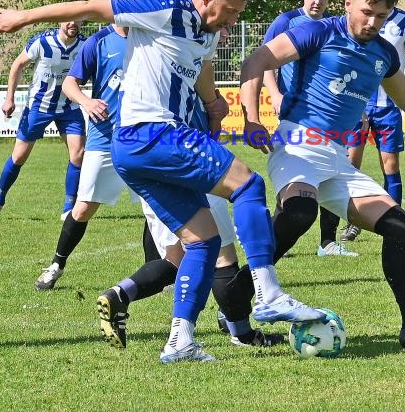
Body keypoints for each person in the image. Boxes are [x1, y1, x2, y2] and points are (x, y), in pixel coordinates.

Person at [0, 0, 323, 364]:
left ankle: (180, 342)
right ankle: (268, 293)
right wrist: (21, 18)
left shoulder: (206, 31)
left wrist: (214, 104)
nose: (234, 20)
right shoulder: (165, 6)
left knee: (202, 241)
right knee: (249, 186)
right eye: (232, 11)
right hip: (153, 132)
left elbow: (200, 71)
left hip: (136, 151)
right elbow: (90, 7)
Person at [239, 0, 405, 350]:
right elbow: (256, 62)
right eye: (366, 12)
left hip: (337, 157)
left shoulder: (384, 53)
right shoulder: (317, 31)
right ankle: (237, 301)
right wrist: (252, 118)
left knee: (400, 226)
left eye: (382, 16)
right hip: (298, 144)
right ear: (348, 2)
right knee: (299, 213)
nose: (372, 22)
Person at [96, 29, 284, 349]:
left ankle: (120, 295)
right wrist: (214, 107)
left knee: (177, 259)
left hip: (151, 166)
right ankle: (241, 331)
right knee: (221, 256)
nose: (224, 34)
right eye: (222, 26)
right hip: (190, 167)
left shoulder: (168, 69)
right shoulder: (181, 69)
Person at [34, 0, 146, 290]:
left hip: (145, 139)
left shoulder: (153, 37)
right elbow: (70, 83)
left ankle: (159, 273)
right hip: (104, 139)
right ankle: (56, 264)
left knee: (155, 207)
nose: (127, 9)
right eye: (122, 3)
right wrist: (86, 100)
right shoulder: (98, 42)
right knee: (83, 207)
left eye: (134, 2)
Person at [263, 0, 358, 258]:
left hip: (330, 116)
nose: (317, 1)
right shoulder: (287, 21)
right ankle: (274, 235)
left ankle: (327, 242)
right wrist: (275, 94)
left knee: (332, 171)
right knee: (296, 175)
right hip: (296, 115)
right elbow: (265, 61)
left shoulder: (333, 26)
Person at [325, 0, 405, 242]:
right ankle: (349, 225)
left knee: (390, 165)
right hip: (358, 104)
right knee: (349, 165)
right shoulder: (358, 19)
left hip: (389, 107)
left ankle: (396, 225)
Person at [0, 21, 86, 222]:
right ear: (60, 21)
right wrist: (9, 98)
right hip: (39, 107)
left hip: (69, 107)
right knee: (19, 156)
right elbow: (17, 65)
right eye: (68, 19)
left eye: (77, 18)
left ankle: (68, 208)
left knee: (78, 154)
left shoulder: (85, 45)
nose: (73, 23)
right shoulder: (42, 41)